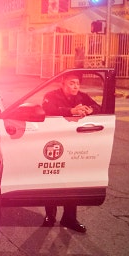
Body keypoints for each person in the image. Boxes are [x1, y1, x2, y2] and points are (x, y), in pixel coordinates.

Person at [40, 72, 101, 233]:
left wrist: (89, 109)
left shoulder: (82, 96)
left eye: (77, 84)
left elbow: (99, 107)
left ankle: (69, 218)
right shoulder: (51, 96)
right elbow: (48, 109)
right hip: (55, 140)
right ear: (63, 84)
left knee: (72, 180)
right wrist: (70, 110)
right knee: (51, 177)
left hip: (74, 142)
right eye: (71, 83)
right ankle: (50, 216)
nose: (75, 87)